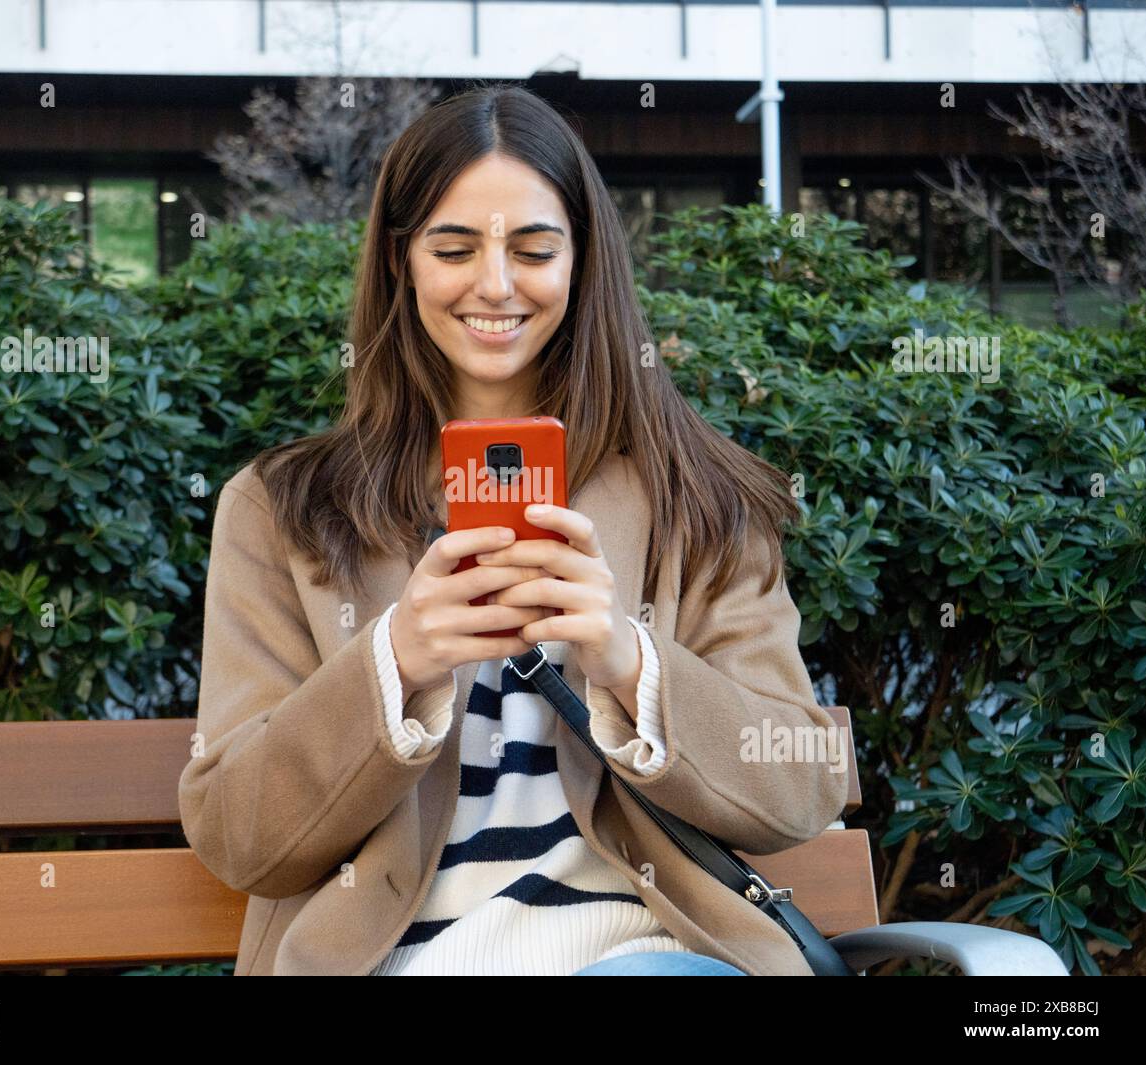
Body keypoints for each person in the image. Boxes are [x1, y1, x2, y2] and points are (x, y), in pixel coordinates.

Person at [178, 83, 849, 977]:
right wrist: (394, 662)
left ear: (582, 261)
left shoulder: (697, 495)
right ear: (401, 260)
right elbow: (237, 834)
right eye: (453, 248)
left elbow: (801, 783)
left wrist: (627, 658)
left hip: (643, 955)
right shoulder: (283, 509)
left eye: (534, 248)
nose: (495, 284)